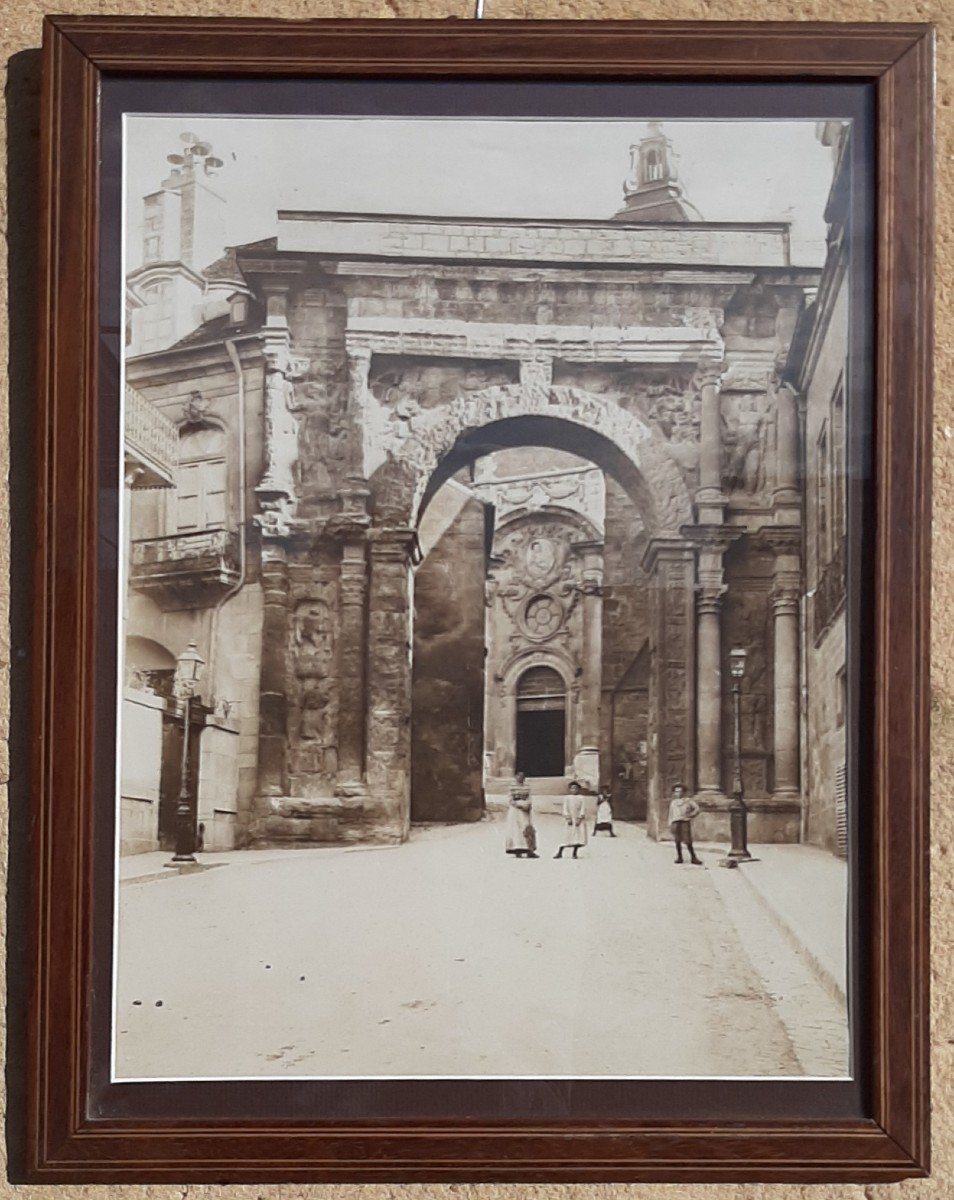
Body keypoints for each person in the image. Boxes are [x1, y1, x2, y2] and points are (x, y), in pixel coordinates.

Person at [504, 771, 538, 858]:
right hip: (515, 810)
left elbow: (530, 798)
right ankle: (516, 849)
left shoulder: (527, 787)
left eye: (522, 776)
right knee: (515, 829)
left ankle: (529, 849)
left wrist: (527, 805)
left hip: (525, 810)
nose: (521, 778)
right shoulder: (511, 787)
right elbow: (510, 799)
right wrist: (518, 805)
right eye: (519, 776)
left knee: (526, 828)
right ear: (515, 777)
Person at [668, 783, 702, 865]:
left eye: (680, 791)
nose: (678, 793)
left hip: (684, 822)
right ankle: (679, 857)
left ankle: (693, 857)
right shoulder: (673, 803)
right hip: (675, 822)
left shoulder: (688, 801)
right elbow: (671, 814)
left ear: (684, 792)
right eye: (676, 792)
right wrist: (670, 823)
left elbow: (697, 809)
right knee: (677, 840)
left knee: (688, 840)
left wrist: (691, 815)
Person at [554, 781, 589, 859]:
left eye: (575, 788)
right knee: (566, 836)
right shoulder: (567, 798)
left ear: (578, 789)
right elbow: (565, 808)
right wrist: (567, 817)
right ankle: (560, 852)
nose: (574, 790)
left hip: (578, 820)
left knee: (577, 837)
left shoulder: (581, 798)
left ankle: (574, 853)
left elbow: (583, 809)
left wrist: (580, 818)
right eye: (572, 788)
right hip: (569, 819)